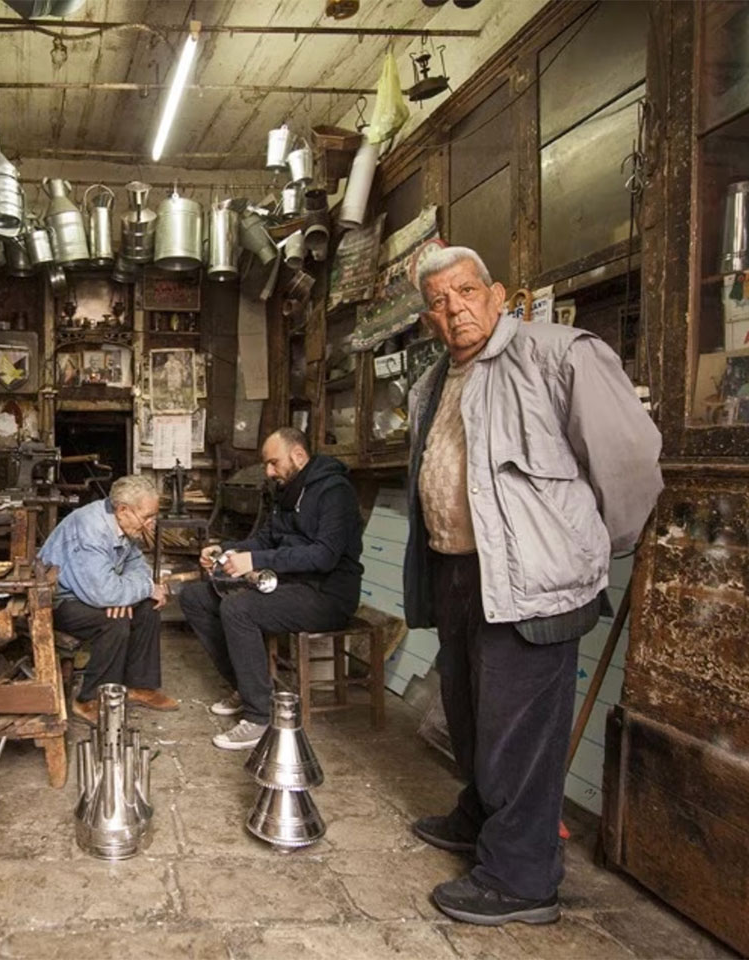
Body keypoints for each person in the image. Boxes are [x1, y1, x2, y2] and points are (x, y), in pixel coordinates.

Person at [403, 245, 662, 926]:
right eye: (437, 300)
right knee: (467, 713)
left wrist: (579, 548)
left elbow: (632, 464)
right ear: (427, 318)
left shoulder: (559, 354)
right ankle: (482, 817)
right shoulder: (433, 382)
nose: (453, 308)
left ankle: (521, 879)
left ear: (497, 295)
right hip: (459, 570)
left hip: (534, 581)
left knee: (518, 731)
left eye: (464, 291)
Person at [179, 427, 364, 750]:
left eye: (273, 463)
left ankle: (260, 716)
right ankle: (247, 684)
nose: (268, 471)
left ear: (298, 455)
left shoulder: (335, 492)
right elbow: (265, 540)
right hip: (290, 584)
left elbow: (324, 555)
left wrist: (257, 560)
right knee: (195, 596)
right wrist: (226, 550)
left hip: (328, 595)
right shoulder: (285, 490)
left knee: (238, 609)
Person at [38, 474, 178, 725]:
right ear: (123, 509)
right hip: (59, 599)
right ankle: (89, 699)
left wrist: (127, 593)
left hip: (94, 590)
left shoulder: (123, 523)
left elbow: (136, 565)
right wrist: (138, 589)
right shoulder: (91, 528)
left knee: (148, 606)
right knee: (114, 623)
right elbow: (103, 593)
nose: (151, 524)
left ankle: (139, 686)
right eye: (147, 516)